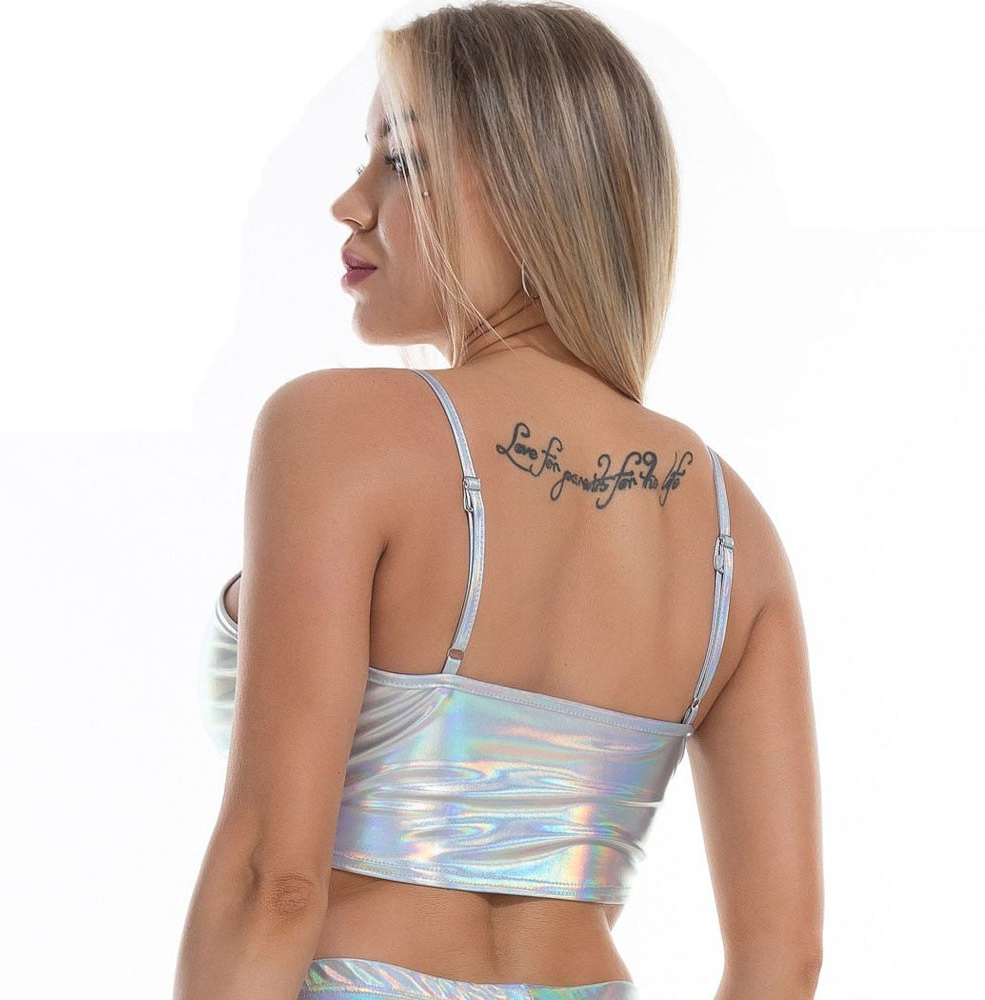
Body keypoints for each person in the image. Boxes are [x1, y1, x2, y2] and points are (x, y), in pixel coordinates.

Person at [175, 3, 823, 999]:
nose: (350, 203)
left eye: (402, 160)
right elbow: (784, 956)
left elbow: (276, 880)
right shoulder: (734, 528)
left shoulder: (342, 430)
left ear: (526, 188)